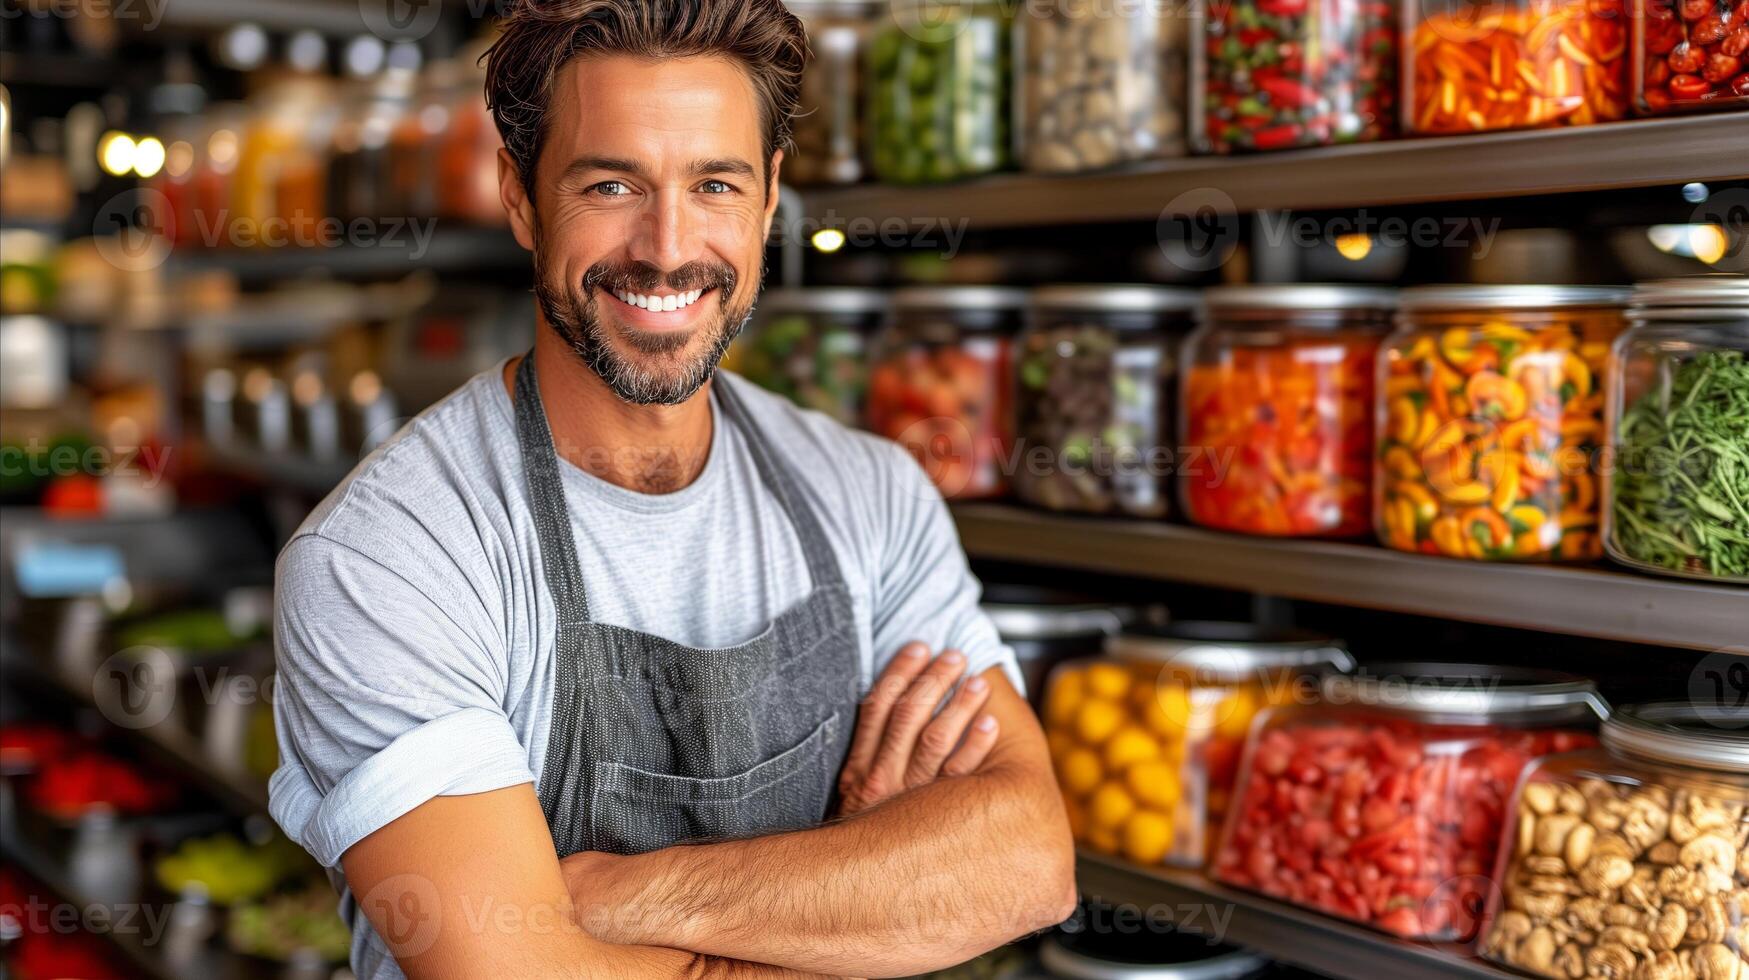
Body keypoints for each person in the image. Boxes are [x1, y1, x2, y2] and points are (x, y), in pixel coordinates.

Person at [267, 1, 1076, 977]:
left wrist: (614, 892)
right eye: (612, 184)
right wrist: (861, 890)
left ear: (771, 197)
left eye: (716, 183)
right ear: (519, 197)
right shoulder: (390, 554)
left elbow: (1030, 860)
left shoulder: (870, 493)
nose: (666, 245)